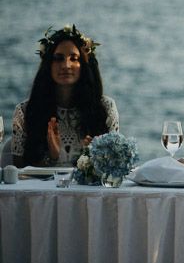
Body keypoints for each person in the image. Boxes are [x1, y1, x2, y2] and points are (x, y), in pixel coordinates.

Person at [12, 25, 119, 167]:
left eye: (74, 58)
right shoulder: (25, 112)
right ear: (48, 64)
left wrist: (95, 158)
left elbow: (116, 168)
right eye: (58, 58)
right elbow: (17, 173)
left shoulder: (105, 108)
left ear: (84, 65)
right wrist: (52, 157)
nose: (66, 65)